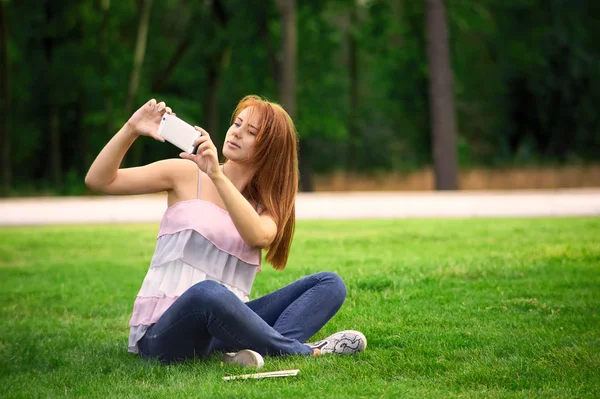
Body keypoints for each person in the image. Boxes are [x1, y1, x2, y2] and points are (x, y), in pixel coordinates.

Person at [85, 96, 366, 366]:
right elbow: (99, 181)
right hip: (164, 334)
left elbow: (259, 236)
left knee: (330, 284)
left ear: (270, 149)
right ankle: (297, 351)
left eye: (251, 131)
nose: (237, 133)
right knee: (207, 292)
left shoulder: (263, 207)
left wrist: (217, 176)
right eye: (237, 123)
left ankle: (250, 352)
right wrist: (131, 128)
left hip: (223, 333)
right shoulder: (184, 174)